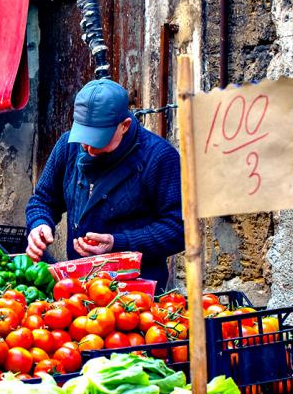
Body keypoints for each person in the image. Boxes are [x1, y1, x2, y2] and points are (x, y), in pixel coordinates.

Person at [25, 79, 184, 291]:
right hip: (77, 287)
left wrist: (117, 243)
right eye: (84, 139)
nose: (89, 149)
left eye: (98, 140)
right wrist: (39, 223)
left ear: (124, 126)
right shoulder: (67, 146)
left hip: (135, 291)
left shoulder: (160, 158)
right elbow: (43, 200)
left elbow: (179, 230)